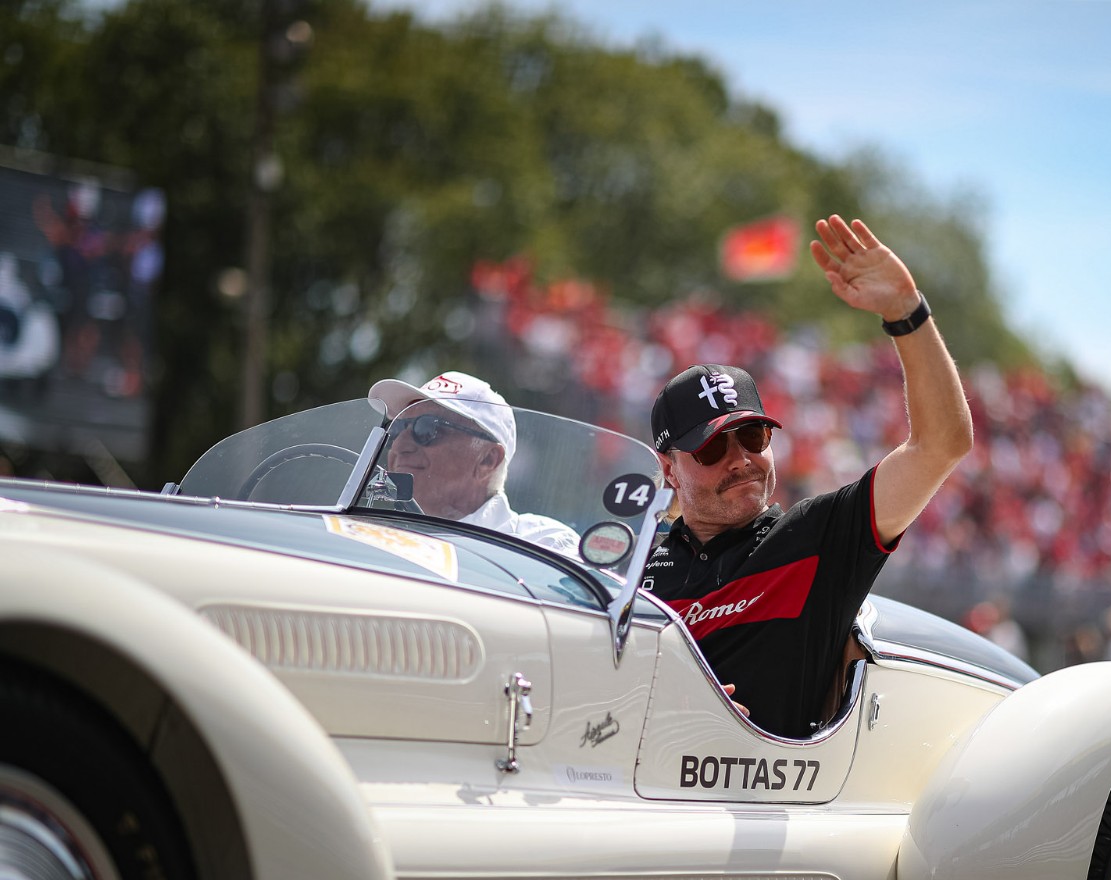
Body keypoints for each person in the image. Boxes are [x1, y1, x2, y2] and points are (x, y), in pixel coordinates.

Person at [642, 215, 973, 738]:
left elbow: (941, 445)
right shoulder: (635, 564)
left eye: (753, 437)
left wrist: (905, 312)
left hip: (764, 809)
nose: (741, 460)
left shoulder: (816, 537)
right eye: (710, 448)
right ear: (668, 471)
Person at [368, 370, 580, 556]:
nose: (399, 445)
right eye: (396, 429)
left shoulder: (544, 546)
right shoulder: (364, 536)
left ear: (488, 460)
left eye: (427, 428)